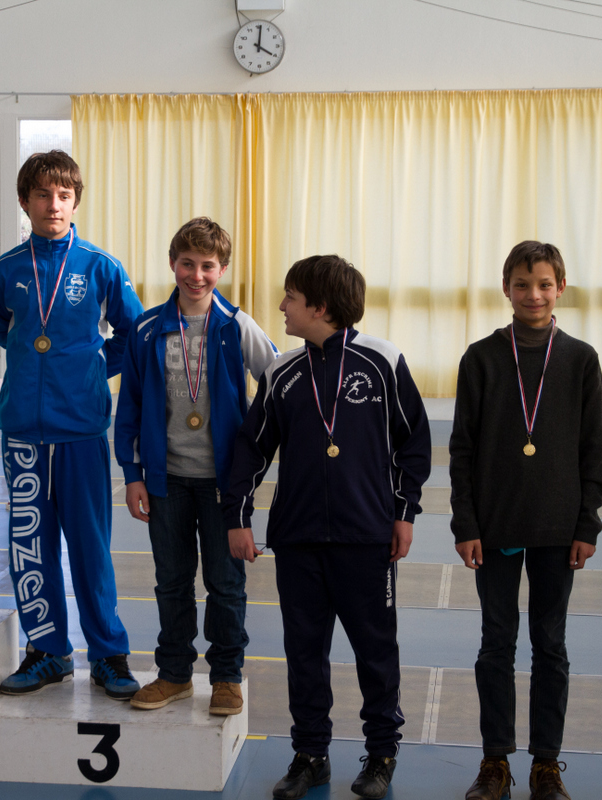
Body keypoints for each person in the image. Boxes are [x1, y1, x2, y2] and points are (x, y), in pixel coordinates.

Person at [224, 255, 431, 800]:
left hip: (367, 539)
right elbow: (251, 449)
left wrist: (404, 513)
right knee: (304, 653)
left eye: (290, 298)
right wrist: (238, 517)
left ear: (319, 307)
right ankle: (310, 754)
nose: (281, 306)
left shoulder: (383, 361)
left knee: (376, 652)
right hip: (297, 539)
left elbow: (413, 443)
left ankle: (381, 753)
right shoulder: (281, 372)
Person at [450, 241, 602, 800]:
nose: (533, 294)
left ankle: (546, 763)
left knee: (550, 645)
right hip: (495, 529)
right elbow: (462, 448)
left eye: (543, 284)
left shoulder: (581, 359)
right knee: (496, 643)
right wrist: (465, 524)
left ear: (560, 288)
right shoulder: (481, 358)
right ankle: (495, 760)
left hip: (557, 531)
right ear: (506, 289)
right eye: (522, 284)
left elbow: (593, 449)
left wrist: (587, 526)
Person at [0, 150, 145, 700]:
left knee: (90, 547)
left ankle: (108, 654)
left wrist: (95, 368)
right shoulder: (6, 269)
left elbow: (133, 334)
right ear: (24, 201)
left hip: (81, 429)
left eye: (63, 195)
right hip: (23, 432)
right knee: (30, 547)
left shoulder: (101, 266)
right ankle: (47, 650)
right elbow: (3, 329)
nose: (52, 205)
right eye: (41, 194)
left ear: (75, 201)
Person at [115, 217, 277, 716]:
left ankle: (226, 675)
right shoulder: (147, 329)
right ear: (172, 264)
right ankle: (174, 673)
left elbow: (276, 382)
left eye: (208, 266)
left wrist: (255, 451)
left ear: (222, 269)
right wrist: (133, 475)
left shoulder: (237, 326)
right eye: (187, 263)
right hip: (166, 481)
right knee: (171, 581)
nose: (196, 275)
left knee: (226, 583)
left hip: (224, 484)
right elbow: (130, 407)